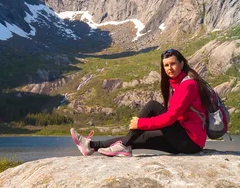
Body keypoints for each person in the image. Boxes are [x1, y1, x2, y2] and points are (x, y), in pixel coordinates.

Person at [70, 48, 211, 157]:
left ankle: (123, 145)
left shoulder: (188, 85)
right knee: (139, 137)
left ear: (182, 63)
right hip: (184, 140)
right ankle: (91, 146)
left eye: (173, 63)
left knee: (152, 106)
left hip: (190, 141)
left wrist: (141, 123)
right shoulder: (178, 85)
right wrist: (143, 127)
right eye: (166, 65)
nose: (169, 68)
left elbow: (170, 117)